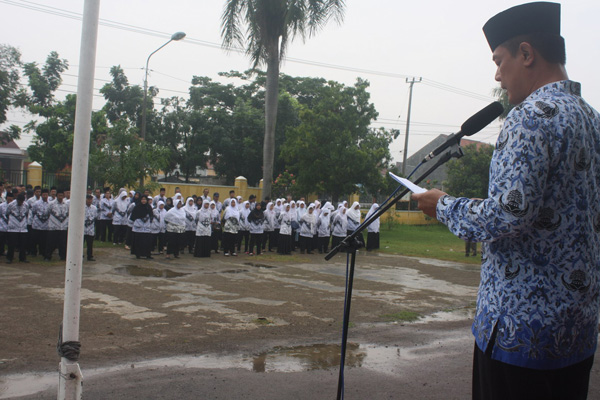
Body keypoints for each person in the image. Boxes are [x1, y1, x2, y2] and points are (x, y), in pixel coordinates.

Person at [412, 3, 600, 399]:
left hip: (520, 332)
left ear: (527, 54)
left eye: (499, 60)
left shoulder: (529, 116)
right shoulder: (592, 119)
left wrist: (443, 205)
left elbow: (509, 214)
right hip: (576, 331)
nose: (497, 74)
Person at [45, 189, 69, 261]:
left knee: (63, 243)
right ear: (56, 196)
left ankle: (63, 256)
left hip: (63, 227)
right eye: (59, 195)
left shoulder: (66, 204)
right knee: (51, 243)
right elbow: (47, 213)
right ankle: (48, 256)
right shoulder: (51, 204)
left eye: (62, 195)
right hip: (53, 227)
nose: (60, 197)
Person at [6, 192, 28, 263]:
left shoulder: (26, 205)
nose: (20, 203)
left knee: (23, 244)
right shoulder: (11, 205)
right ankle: (9, 258)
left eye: (22, 201)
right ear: (17, 200)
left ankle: (22, 258)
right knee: (11, 244)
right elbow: (7, 213)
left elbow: (27, 214)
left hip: (23, 228)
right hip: (13, 228)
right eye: (19, 201)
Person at [130, 195, 154, 259]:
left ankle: (147, 254)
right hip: (138, 226)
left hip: (146, 226)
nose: (144, 201)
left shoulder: (148, 207)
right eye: (142, 199)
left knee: (147, 241)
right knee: (138, 241)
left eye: (145, 199)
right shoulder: (137, 207)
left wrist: (147, 219)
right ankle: (138, 254)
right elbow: (133, 217)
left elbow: (151, 215)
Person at [84, 194, 98, 261]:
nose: (89, 201)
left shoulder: (94, 208)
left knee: (90, 244)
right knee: (81, 243)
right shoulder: (82, 207)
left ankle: (90, 256)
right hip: (83, 228)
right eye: (88, 199)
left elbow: (95, 217)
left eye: (90, 199)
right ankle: (80, 255)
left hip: (91, 228)